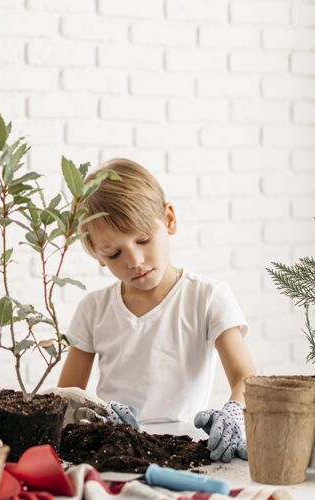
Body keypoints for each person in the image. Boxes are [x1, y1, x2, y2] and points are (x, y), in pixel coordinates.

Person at [56, 158, 257, 463]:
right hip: (115, 451)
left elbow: (246, 378)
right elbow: (68, 396)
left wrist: (233, 413)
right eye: (114, 253)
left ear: (169, 219)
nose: (134, 259)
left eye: (144, 239)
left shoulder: (208, 297)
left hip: (188, 450)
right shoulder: (93, 309)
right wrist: (92, 417)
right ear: (97, 254)